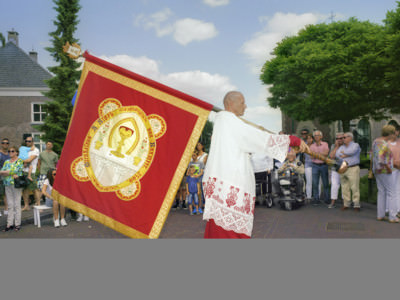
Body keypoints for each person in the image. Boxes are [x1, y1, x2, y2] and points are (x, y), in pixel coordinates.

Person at [202, 91, 307, 239]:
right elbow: (260, 139)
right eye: (242, 102)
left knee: (219, 227)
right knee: (228, 232)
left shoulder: (223, 122)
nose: (245, 106)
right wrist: (292, 140)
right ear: (231, 103)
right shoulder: (231, 122)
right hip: (231, 182)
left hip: (223, 182)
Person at [372, 125, 398, 223]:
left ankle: (380, 215)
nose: (395, 134)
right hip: (385, 171)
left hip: (377, 171)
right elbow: (381, 159)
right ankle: (392, 217)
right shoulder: (384, 144)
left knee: (381, 192)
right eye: (394, 132)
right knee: (392, 193)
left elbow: (373, 156)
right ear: (390, 133)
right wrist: (388, 168)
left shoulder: (376, 141)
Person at [335, 132, 361, 211]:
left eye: (344, 137)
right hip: (343, 167)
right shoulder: (342, 147)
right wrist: (347, 155)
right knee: (344, 187)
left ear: (350, 138)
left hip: (353, 167)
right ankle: (346, 204)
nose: (342, 139)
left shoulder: (355, 145)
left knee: (354, 187)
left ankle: (356, 205)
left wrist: (345, 154)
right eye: (342, 138)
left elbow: (352, 152)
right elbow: (337, 155)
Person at [0, 146, 24, 231]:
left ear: (17, 152)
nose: (10, 152)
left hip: (16, 184)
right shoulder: (6, 161)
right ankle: (9, 224)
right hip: (7, 184)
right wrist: (8, 172)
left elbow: (15, 171)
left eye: (12, 151)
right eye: (9, 151)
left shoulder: (19, 161)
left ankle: (17, 224)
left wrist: (7, 172)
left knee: (17, 204)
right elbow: (2, 171)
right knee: (10, 205)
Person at [310, 130, 330, 206]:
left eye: (318, 135)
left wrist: (316, 154)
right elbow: (311, 156)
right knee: (315, 183)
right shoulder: (312, 146)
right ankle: (316, 199)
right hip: (315, 165)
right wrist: (320, 155)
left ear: (321, 136)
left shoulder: (325, 144)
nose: (316, 137)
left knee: (325, 183)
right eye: (315, 135)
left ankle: (327, 199)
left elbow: (326, 154)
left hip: (323, 165)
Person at [21, 136, 41, 210]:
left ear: (32, 142)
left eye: (29, 141)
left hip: (31, 172)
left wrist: (22, 160)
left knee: (34, 189)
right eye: (26, 141)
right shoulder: (25, 149)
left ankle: (39, 205)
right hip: (23, 171)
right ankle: (26, 206)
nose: (27, 142)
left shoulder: (35, 150)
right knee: (24, 189)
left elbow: (29, 160)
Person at [328, 132, 345, 208]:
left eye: (340, 138)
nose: (339, 140)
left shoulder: (347, 146)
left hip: (344, 168)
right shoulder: (333, 146)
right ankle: (333, 202)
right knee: (334, 185)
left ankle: (345, 202)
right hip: (335, 168)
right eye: (337, 138)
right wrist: (336, 147)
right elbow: (331, 156)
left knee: (344, 185)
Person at [388, 123, 400, 217]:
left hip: (398, 168)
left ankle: (397, 209)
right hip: (390, 169)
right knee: (391, 190)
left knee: (397, 189)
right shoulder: (385, 143)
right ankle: (389, 209)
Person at [0, 138, 10, 216]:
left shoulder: (10, 154)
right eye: (3, 143)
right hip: (0, 175)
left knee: (6, 193)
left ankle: (6, 209)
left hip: (8, 176)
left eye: (7, 143)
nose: (5, 144)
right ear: (1, 144)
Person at [196, 141, 208, 209]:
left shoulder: (205, 155)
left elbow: (203, 163)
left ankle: (204, 204)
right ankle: (197, 204)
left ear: (202, 146)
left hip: (202, 173)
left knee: (202, 189)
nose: (198, 147)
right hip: (195, 174)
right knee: (196, 190)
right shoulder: (195, 154)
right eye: (197, 145)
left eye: (200, 145)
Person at [303, 133, 314, 203]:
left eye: (310, 138)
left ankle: (317, 196)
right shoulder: (304, 145)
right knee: (308, 181)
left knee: (316, 182)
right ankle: (309, 196)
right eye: (308, 138)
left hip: (315, 164)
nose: (309, 139)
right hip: (307, 165)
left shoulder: (315, 145)